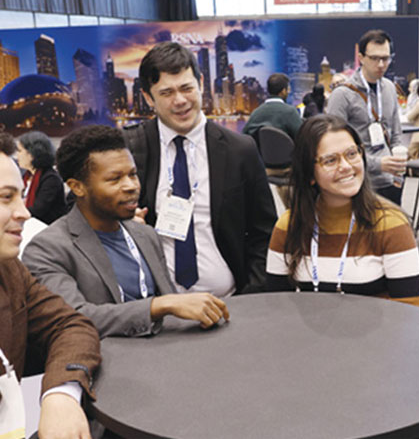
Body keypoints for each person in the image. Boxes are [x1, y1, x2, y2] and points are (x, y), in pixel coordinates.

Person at [0, 124, 100, 437]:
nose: (24, 212)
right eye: (5, 198)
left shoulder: (6, 271)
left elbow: (71, 326)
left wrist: (61, 393)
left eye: (21, 196)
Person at [23, 125, 229, 339]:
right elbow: (73, 318)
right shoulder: (48, 249)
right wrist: (158, 306)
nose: (131, 186)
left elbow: (169, 309)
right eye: (115, 179)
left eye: (132, 174)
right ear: (77, 187)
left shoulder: (146, 235)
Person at [122, 41, 277, 297]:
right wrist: (121, 224)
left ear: (201, 83)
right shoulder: (128, 149)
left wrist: (251, 296)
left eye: (186, 88)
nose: (180, 101)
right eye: (166, 93)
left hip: (231, 304)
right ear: (148, 97)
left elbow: (264, 233)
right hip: (157, 309)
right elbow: (85, 214)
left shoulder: (240, 149)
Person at [265, 114, 419, 306]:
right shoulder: (289, 226)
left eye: (352, 154)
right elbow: (276, 306)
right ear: (309, 174)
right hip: (305, 334)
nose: (346, 167)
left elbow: (409, 312)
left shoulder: (390, 224)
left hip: (378, 335)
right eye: (330, 160)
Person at [327, 29, 406, 206]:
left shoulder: (389, 88)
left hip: (390, 179)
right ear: (361, 58)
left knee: (390, 231)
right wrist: (377, 164)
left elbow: (396, 134)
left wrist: (398, 161)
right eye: (374, 58)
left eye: (385, 59)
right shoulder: (342, 95)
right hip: (356, 182)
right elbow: (334, 147)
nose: (381, 65)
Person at [16, 131, 67, 224]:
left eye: (20, 151)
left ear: (32, 154)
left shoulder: (51, 179)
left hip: (46, 228)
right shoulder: (27, 176)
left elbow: (38, 210)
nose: (16, 155)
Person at [243, 72, 302, 139]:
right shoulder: (290, 112)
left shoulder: (256, 113)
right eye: (288, 89)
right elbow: (302, 137)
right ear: (283, 91)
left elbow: (244, 137)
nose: (289, 92)